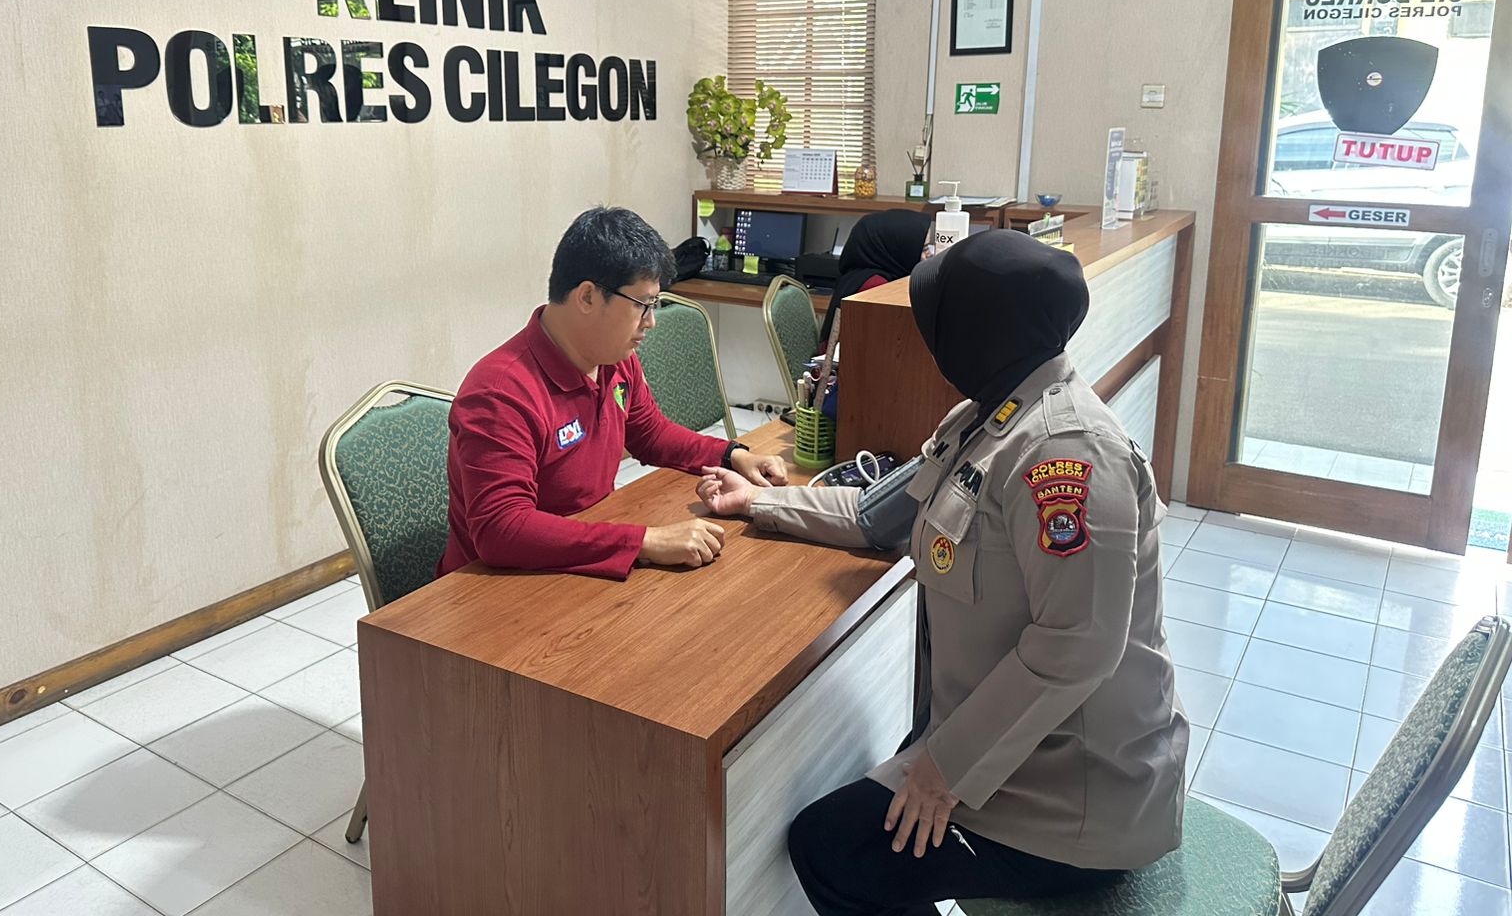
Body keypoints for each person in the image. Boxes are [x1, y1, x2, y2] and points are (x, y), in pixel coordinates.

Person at [698, 229, 1186, 914]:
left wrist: (940, 773)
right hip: (1014, 751)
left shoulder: (1068, 454)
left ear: (981, 333)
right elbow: (877, 515)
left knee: (831, 849)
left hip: (1072, 802)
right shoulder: (988, 416)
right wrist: (758, 502)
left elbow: (1076, 648)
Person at [437, 207, 787, 581]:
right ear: (587, 296)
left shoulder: (613, 360)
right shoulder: (500, 393)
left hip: (580, 559)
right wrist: (643, 542)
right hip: (498, 587)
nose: (651, 322)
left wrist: (733, 455)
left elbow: (651, 435)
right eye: (643, 305)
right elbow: (501, 530)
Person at [819, 209, 933, 347]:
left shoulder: (863, 273)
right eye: (923, 249)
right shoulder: (875, 287)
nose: (930, 254)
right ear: (901, 249)